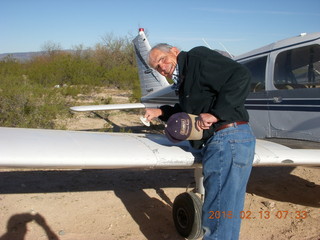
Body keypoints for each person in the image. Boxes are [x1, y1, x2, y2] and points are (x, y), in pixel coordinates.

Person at [145, 43, 256, 240]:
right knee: (226, 212)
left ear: (174, 50)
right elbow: (192, 111)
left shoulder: (196, 58)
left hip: (226, 139)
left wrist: (216, 114)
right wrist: (160, 111)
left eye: (162, 60)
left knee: (217, 215)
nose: (161, 67)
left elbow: (241, 76)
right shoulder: (188, 76)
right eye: (157, 67)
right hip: (235, 138)